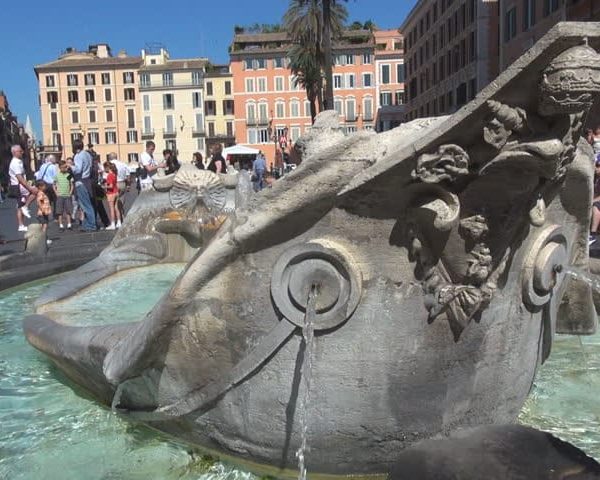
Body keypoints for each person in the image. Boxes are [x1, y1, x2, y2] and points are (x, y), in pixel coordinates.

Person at [8, 144, 37, 232]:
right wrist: (29, 187)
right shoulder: (15, 163)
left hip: (18, 185)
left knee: (20, 205)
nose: (22, 152)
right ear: (14, 152)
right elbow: (19, 177)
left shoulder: (18, 161)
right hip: (18, 185)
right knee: (35, 191)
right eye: (20, 151)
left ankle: (21, 225)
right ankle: (26, 207)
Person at [71, 138, 96, 232]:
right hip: (87, 180)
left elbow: (78, 169)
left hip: (80, 181)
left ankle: (91, 225)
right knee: (87, 204)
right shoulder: (87, 154)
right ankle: (88, 223)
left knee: (85, 205)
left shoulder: (78, 156)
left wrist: (70, 166)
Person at [108, 153, 129, 222]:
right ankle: (122, 217)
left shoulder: (109, 165)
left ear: (110, 158)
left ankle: (116, 220)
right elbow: (128, 175)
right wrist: (128, 185)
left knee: (113, 204)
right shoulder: (123, 164)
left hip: (114, 184)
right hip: (122, 183)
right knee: (121, 202)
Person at [54, 161, 74, 231]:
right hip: (60, 195)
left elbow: (71, 184)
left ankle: (69, 224)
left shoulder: (68, 175)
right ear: (60, 168)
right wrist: (56, 193)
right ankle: (61, 225)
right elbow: (54, 184)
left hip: (67, 195)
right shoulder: (57, 175)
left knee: (68, 211)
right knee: (60, 211)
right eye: (63, 167)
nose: (64, 168)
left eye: (65, 167)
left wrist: (70, 192)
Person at [103, 162, 121, 230]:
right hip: (116, 192)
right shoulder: (114, 174)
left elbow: (110, 186)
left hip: (111, 193)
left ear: (107, 168)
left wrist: (104, 186)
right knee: (117, 208)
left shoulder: (109, 175)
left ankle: (113, 224)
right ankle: (119, 222)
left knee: (111, 209)